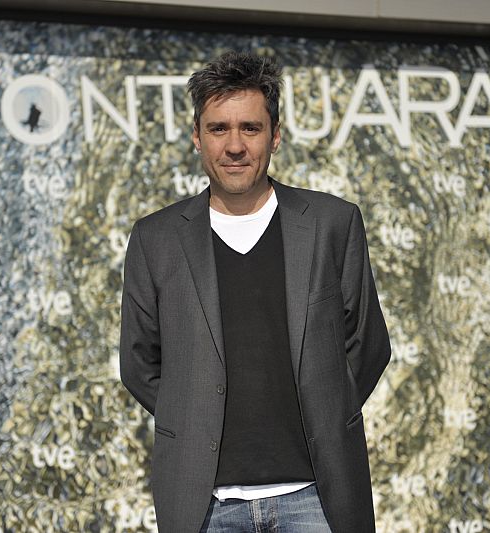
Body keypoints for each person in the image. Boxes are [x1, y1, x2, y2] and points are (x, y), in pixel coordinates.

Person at [120, 51, 391, 533]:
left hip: (317, 499)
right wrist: (193, 416)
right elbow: (139, 363)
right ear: (197, 137)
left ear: (275, 135)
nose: (235, 146)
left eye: (250, 128)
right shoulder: (155, 239)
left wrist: (327, 411)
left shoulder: (333, 224)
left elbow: (368, 347)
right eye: (218, 129)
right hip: (206, 506)